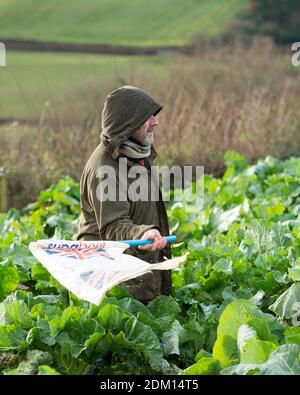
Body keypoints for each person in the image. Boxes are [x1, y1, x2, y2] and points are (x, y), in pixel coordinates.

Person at [77, 85, 172, 304]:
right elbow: (113, 226)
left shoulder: (137, 153)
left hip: (140, 268)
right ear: (127, 124)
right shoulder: (104, 170)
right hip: (115, 284)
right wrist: (143, 233)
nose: (155, 121)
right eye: (147, 117)